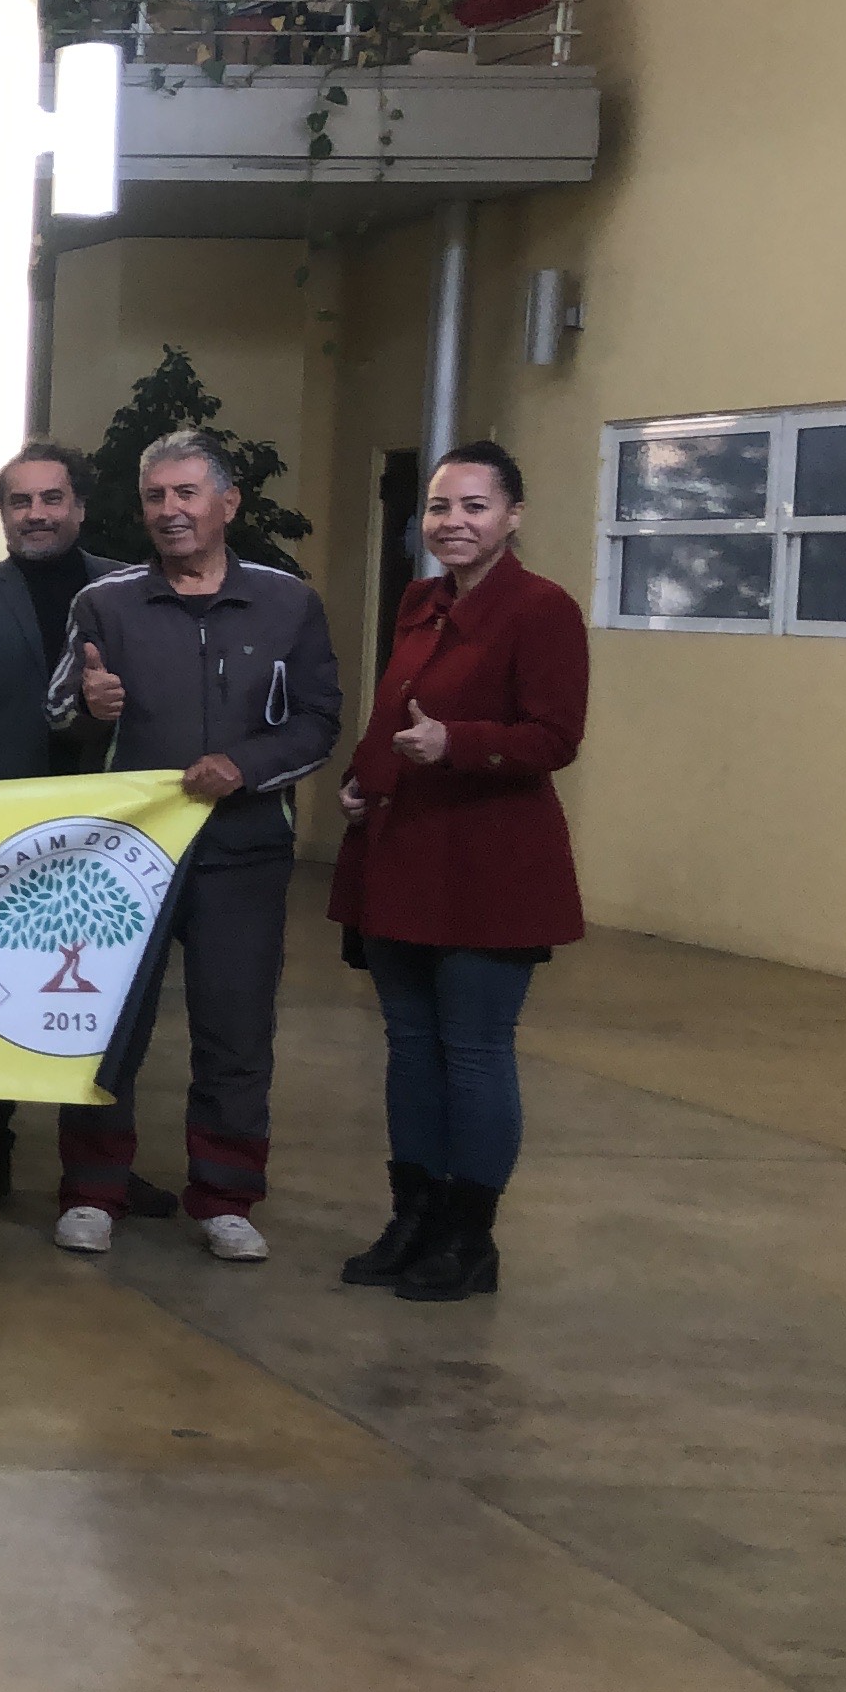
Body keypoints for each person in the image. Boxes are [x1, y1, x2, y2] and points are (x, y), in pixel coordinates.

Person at [48, 429, 340, 1261]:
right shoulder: (104, 603)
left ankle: (226, 1196)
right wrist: (90, 708)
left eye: (186, 493)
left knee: (236, 1033)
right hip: (124, 864)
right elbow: (59, 710)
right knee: (108, 1025)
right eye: (155, 497)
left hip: (243, 853)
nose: (170, 511)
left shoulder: (288, 603)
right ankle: (93, 1190)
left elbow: (319, 722)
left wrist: (246, 767)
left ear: (227, 503)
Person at [330, 441, 586, 1302]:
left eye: (476, 506)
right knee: (409, 1048)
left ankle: (470, 1237)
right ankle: (413, 1217)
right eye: (440, 506)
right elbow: (393, 715)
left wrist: (456, 744)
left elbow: (556, 737)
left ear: (513, 516)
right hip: (402, 856)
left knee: (474, 1052)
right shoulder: (421, 602)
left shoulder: (542, 609)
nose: (453, 522)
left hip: (491, 868)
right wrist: (362, 781)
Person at [0, 443, 144, 1215]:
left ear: (79, 506)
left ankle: (105, 1161)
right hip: (1, 828)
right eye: (21, 501)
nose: (37, 514)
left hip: (111, 830)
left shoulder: (132, 589)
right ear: (4, 513)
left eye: (52, 499)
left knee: (108, 999)